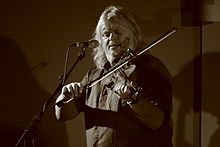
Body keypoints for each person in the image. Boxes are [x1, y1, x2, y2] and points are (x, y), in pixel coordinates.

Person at [55, 5, 173, 147]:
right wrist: (65, 97)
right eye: (106, 34)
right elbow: (63, 115)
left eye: (117, 32)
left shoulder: (150, 68)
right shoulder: (94, 74)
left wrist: (133, 99)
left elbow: (158, 122)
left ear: (133, 35)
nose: (111, 38)